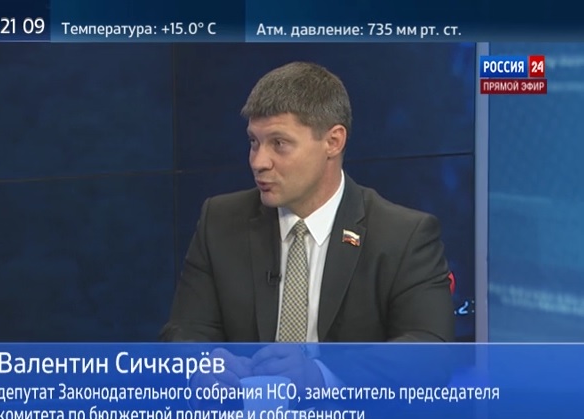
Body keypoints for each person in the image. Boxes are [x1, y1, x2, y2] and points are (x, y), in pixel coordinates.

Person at [160, 61, 454, 392]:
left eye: (279, 143)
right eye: (254, 142)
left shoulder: (403, 235)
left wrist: (320, 376)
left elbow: (431, 353)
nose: (258, 161)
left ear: (333, 141)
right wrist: (204, 365)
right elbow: (182, 332)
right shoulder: (220, 221)